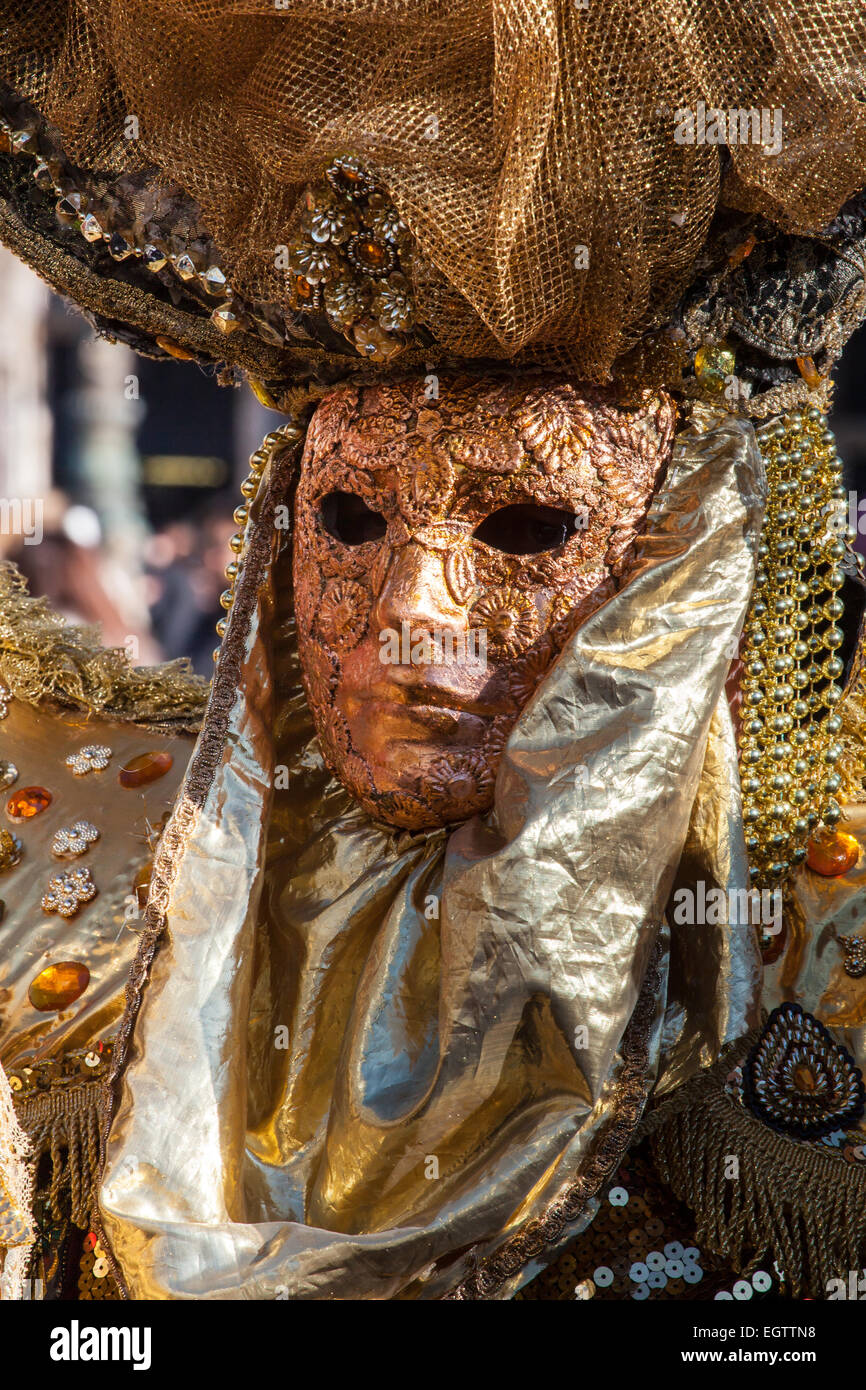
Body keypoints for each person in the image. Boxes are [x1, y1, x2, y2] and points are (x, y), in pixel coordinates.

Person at [1, 2, 866, 1301]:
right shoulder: (69, 885)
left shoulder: (820, 939)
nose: (414, 614)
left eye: (523, 526)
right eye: (350, 519)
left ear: (683, 563)